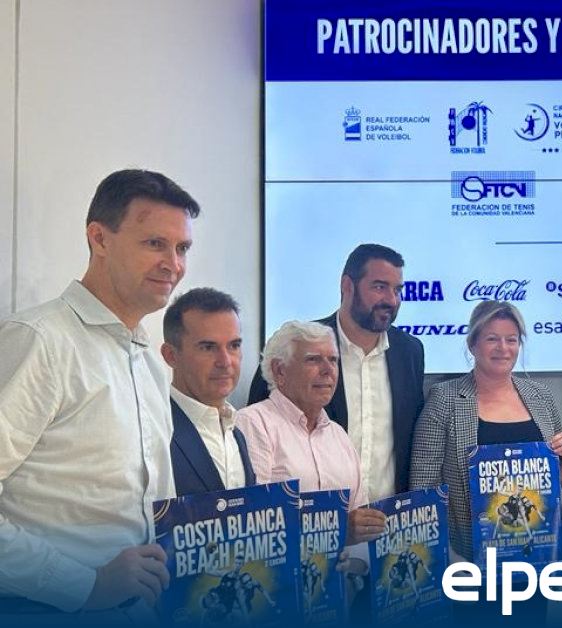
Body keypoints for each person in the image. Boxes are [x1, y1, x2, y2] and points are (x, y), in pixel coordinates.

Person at [0, 169, 198, 616]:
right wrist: (83, 585)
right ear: (100, 238)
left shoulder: (149, 362)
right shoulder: (39, 340)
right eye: (155, 243)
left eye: (182, 248)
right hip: (44, 611)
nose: (173, 264)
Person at [409, 301, 562, 621]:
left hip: (533, 561)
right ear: (472, 343)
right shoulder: (444, 399)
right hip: (469, 564)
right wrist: (446, 556)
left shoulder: (541, 397)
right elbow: (423, 488)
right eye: (492, 339)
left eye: (511, 339)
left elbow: (560, 479)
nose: (503, 348)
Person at [249, 243, 425, 501]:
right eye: (379, 287)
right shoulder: (299, 346)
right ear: (347, 286)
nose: (391, 300)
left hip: (390, 518)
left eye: (397, 290)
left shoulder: (409, 352)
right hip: (312, 519)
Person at [236, 321, 380, 546]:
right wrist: (338, 531)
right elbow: (254, 522)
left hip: (344, 567)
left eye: (333, 360)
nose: (328, 370)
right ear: (280, 370)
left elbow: (359, 517)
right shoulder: (253, 423)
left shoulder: (338, 435)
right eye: (313, 359)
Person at [161, 288, 256, 495]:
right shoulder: (155, 428)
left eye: (234, 346)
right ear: (171, 355)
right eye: (208, 347)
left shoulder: (236, 432)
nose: (225, 361)